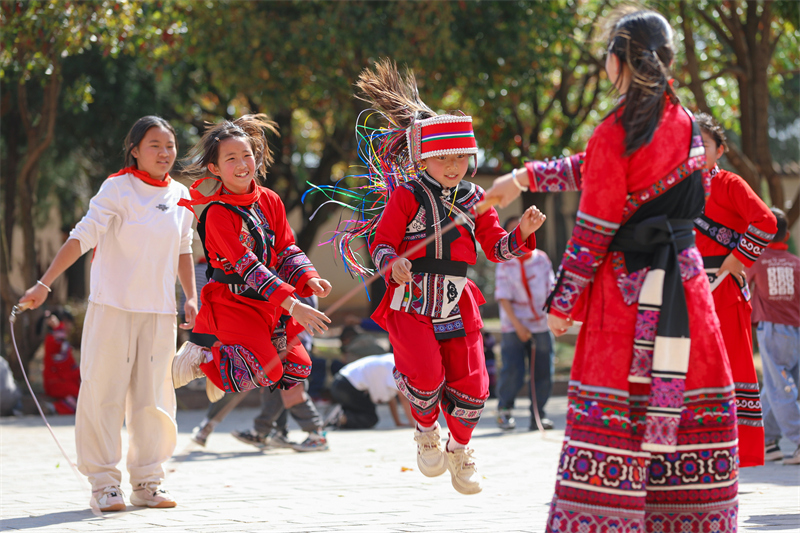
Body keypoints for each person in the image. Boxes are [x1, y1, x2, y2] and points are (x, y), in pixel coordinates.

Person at [485, 9, 738, 531]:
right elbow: (600, 164)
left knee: (619, 415)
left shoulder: (617, 131)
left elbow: (593, 230)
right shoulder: (686, 124)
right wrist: (523, 176)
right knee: (685, 407)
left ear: (619, 60)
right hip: (686, 294)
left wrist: (561, 306)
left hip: (625, 297)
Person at [348, 60, 546, 495]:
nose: (454, 165)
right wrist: (393, 262)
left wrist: (523, 233)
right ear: (424, 158)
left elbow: (496, 248)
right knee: (425, 374)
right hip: (411, 298)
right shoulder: (407, 195)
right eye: (443, 158)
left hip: (458, 299)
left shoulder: (479, 198)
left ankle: (460, 451)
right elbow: (382, 244)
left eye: (460, 157)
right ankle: (425, 432)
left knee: (474, 381)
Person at [19, 116, 196, 511]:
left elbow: (184, 248)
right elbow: (82, 236)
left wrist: (190, 297)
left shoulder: (182, 194)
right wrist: (44, 284)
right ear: (135, 150)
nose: (165, 153)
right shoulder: (117, 187)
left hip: (159, 312)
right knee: (104, 393)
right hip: (112, 307)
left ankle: (148, 481)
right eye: (155, 145)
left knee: (155, 398)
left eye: (169, 145)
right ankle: (104, 484)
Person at [171, 114, 332, 407]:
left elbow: (286, 249)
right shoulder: (217, 213)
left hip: (268, 303)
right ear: (214, 168)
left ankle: (227, 359)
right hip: (233, 302)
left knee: (298, 368)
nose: (242, 164)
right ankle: (207, 356)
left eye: (247, 155)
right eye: (231, 158)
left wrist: (309, 277)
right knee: (267, 371)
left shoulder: (270, 199)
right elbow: (248, 267)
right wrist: (294, 306)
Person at [693, 112, 776, 467]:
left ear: (720, 149)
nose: (695, 150)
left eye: (704, 144)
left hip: (724, 287)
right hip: (685, 290)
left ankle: (739, 451)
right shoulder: (672, 188)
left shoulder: (730, 184)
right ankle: (695, 447)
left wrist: (738, 260)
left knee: (733, 364)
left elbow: (766, 221)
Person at [748, 208, 800, 465]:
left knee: (780, 389)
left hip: (771, 330)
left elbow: (740, 283)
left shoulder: (756, 260)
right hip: (795, 331)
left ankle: (799, 440)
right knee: (776, 386)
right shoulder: (796, 263)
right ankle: (768, 441)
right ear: (787, 235)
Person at [494, 215, 556, 431]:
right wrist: (518, 326)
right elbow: (503, 296)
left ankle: (538, 415)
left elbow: (551, 289)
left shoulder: (541, 259)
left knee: (543, 370)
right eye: (515, 232)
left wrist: (554, 316)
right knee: (513, 370)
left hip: (541, 323)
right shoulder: (505, 263)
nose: (521, 235)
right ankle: (505, 411)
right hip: (514, 324)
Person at [325, 353, 414, 429]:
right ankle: (341, 418)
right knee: (370, 418)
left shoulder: (392, 359)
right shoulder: (396, 366)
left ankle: (341, 414)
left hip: (340, 383)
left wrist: (398, 422)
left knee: (366, 411)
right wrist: (413, 424)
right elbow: (403, 398)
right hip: (347, 386)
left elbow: (392, 398)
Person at [40, 309, 81, 414]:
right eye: (66, 322)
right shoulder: (52, 339)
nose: (69, 326)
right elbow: (58, 342)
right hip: (56, 382)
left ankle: (55, 407)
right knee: (80, 402)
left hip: (65, 380)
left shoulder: (63, 342)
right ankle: (53, 407)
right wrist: (57, 327)